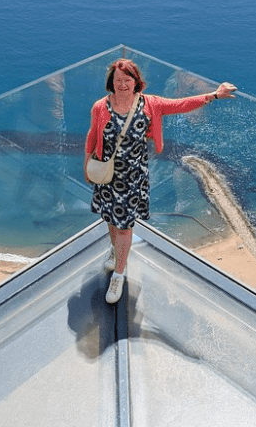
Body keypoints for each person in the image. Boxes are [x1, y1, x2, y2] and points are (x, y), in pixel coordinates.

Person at [85, 58, 237, 304]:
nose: (122, 84)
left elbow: (182, 104)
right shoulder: (100, 107)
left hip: (133, 177)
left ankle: (119, 274)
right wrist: (87, 165)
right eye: (118, 80)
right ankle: (115, 251)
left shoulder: (150, 104)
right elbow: (93, 136)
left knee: (124, 226)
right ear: (110, 82)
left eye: (127, 79)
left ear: (136, 81)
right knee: (111, 219)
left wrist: (214, 95)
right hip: (107, 174)